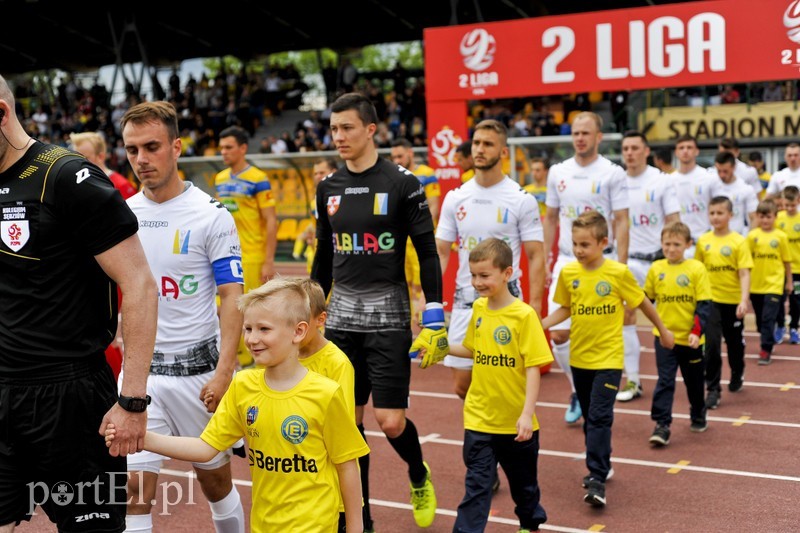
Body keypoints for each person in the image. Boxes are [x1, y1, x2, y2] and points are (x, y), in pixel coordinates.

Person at [0, 74, 158, 532]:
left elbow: (140, 284)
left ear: (3, 114)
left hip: (70, 399)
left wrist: (132, 399)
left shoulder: (68, 176)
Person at [105, 278, 370, 532]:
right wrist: (141, 437)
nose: (253, 339)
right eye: (248, 328)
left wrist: (355, 527)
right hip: (264, 524)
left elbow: (347, 464)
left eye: (264, 329)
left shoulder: (325, 393)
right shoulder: (243, 386)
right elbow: (205, 447)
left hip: (315, 525)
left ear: (298, 331)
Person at [311, 92, 445, 530]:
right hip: (341, 323)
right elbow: (325, 257)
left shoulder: (403, 183)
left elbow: (426, 251)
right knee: (348, 428)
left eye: (347, 128)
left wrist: (435, 311)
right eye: (333, 129)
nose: (338, 137)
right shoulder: (327, 188)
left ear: (371, 130)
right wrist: (310, 308)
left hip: (388, 319)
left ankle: (417, 471)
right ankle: (360, 518)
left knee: (389, 422)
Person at [121, 101, 246, 533]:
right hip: (142, 376)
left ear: (176, 147)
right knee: (135, 495)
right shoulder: (123, 216)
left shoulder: (211, 215)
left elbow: (233, 296)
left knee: (216, 486)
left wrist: (225, 370)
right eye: (132, 149)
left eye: (151, 146)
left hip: (198, 377)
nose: (141, 159)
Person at [541, 210, 673, 508]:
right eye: (574, 244)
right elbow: (566, 308)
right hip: (580, 359)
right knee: (591, 418)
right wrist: (543, 323)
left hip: (609, 360)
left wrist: (662, 330)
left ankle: (596, 477)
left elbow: (643, 303)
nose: (578, 251)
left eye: (585, 245)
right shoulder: (569, 273)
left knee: (600, 417)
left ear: (603, 242)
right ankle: (603, 460)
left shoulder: (617, 273)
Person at [442, 238, 551, 533]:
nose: (477, 282)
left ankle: (530, 521)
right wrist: (443, 347)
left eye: (484, 275)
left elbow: (533, 367)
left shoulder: (524, 315)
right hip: (479, 418)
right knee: (476, 488)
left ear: (507, 273)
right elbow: (473, 350)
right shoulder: (478, 309)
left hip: (516, 425)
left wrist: (527, 414)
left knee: (524, 488)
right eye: (473, 275)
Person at [436, 119, 545, 400]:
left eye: (488, 144)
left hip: (507, 303)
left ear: (503, 152)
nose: (480, 150)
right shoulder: (455, 197)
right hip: (465, 302)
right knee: (462, 386)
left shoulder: (521, 199)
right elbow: (441, 251)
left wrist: (533, 306)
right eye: (476, 143)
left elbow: (535, 254)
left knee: (507, 382)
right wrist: (430, 298)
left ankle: (500, 438)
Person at [543, 111, 630, 424]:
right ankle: (578, 391)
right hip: (567, 259)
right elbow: (551, 217)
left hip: (600, 262)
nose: (580, 138)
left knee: (596, 330)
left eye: (585, 133)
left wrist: (620, 263)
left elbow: (621, 219)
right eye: (576, 133)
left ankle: (610, 383)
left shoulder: (612, 172)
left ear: (598, 137)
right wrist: (547, 258)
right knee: (558, 334)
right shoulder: (558, 172)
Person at [70, 130, 140, 379]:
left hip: (117, 270)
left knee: (118, 328)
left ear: (101, 156)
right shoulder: (75, 185)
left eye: (84, 155)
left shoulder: (121, 185)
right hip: (91, 270)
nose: (77, 161)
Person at [617, 131, 680, 402]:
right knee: (626, 316)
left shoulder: (661, 181)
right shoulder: (615, 181)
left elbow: (673, 220)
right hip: (627, 260)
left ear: (646, 151)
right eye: (625, 148)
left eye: (634, 148)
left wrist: (674, 256)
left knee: (669, 317)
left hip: (657, 260)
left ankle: (684, 371)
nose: (629, 153)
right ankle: (633, 380)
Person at [295, 277, 357, 531]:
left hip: (327, 490)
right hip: (292, 482)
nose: (293, 330)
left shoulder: (337, 364)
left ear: (320, 319)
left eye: (300, 323)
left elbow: (342, 437)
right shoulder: (283, 355)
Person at [215, 125, 278, 368]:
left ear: (243, 148)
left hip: (252, 254)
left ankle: (255, 361)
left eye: (228, 147)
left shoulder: (258, 179)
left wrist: (268, 260)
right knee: (227, 308)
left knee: (250, 310)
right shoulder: (220, 179)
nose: (223, 152)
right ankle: (236, 359)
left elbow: (271, 219)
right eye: (221, 148)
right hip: (227, 253)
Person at [645, 222, 712, 446]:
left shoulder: (696, 268)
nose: (671, 249)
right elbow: (648, 299)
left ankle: (698, 412)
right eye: (667, 244)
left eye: (676, 244)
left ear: (687, 245)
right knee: (665, 380)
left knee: (693, 382)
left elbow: (703, 304)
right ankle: (662, 425)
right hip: (664, 338)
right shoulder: (656, 269)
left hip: (691, 339)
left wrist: (696, 331)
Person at [694, 196, 753, 409]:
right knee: (711, 346)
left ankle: (738, 371)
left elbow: (744, 273)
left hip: (732, 301)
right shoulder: (703, 241)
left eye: (720, 213)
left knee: (735, 345)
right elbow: (697, 271)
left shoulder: (738, 241)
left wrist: (743, 300)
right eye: (712, 213)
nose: (716, 217)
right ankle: (713, 390)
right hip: (710, 302)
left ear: (730, 215)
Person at [391, 137, 442, 319]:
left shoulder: (427, 173)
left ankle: (423, 318)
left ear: (410, 153)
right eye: (394, 157)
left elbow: (433, 205)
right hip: (401, 240)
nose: (397, 161)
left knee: (422, 282)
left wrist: (423, 230)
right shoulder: (394, 175)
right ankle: (411, 319)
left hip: (418, 237)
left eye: (400, 156)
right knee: (405, 282)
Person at [747, 199, 792, 365]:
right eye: (762, 217)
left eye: (768, 217)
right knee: (760, 320)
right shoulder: (752, 236)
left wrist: (789, 281)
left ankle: (765, 349)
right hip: (756, 285)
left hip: (774, 284)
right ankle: (767, 335)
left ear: (775, 217)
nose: (765, 220)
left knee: (768, 318)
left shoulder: (781, 237)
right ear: (757, 217)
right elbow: (746, 262)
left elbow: (786, 262)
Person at [294, 158, 339, 273]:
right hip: (315, 253)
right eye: (315, 173)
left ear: (334, 172)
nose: (318, 176)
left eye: (322, 173)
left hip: (334, 255)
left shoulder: (343, 196)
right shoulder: (314, 200)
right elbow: (315, 223)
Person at [672, 134, 713, 258]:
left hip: (705, 242)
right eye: (681, 148)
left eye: (689, 147)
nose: (685, 151)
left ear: (696, 151)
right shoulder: (669, 180)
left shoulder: (708, 177)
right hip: (680, 245)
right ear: (676, 152)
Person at [70, 131, 138, 199]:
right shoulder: (78, 185)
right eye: (75, 159)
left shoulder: (121, 186)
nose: (78, 163)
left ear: (100, 157)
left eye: (84, 158)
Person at [710, 151, 759, 235]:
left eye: (725, 171)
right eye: (719, 171)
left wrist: (749, 240)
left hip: (738, 237)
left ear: (733, 168)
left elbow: (754, 218)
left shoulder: (746, 188)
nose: (722, 175)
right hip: (714, 238)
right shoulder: (711, 186)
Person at [775, 185, 800, 344]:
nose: (790, 208)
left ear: (798, 201)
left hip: (798, 268)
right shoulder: (778, 218)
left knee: (796, 300)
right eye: (787, 205)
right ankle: (779, 326)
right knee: (778, 299)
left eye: (793, 205)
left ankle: (793, 328)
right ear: (783, 202)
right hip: (780, 269)